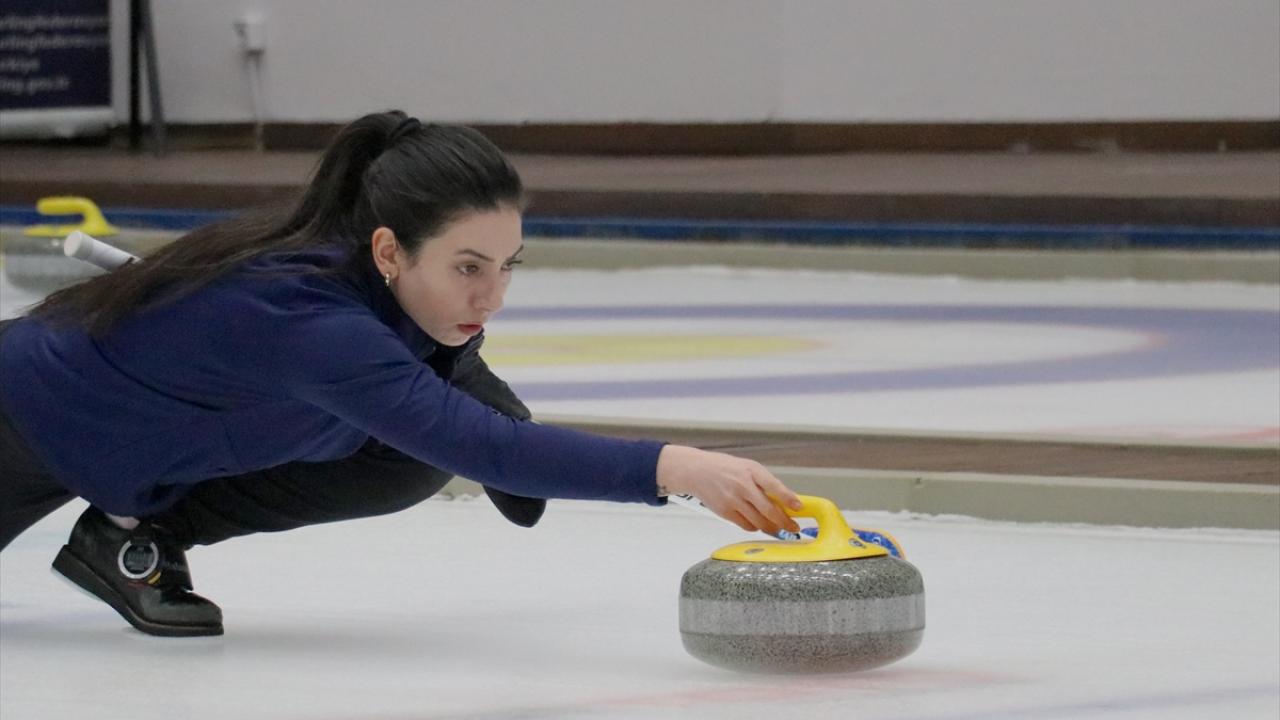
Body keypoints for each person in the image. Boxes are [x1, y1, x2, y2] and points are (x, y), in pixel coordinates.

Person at [0, 110, 802, 637]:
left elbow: (463, 377)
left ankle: (134, 540)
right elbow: (484, 444)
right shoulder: (316, 323)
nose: (491, 296)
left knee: (404, 455)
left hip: (102, 448)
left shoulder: (373, 288)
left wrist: (510, 429)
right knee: (430, 438)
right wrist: (677, 467)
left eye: (507, 266)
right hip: (19, 423)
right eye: (468, 267)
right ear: (390, 250)